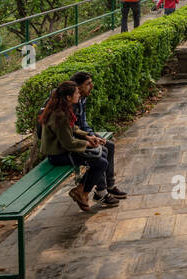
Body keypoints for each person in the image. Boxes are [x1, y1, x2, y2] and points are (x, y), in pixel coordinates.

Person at [38, 80, 119, 211]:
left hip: (63, 150)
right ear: (68, 97)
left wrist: (89, 136)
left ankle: (81, 190)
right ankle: (84, 193)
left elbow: (73, 128)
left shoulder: (63, 109)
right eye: (76, 93)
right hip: (58, 155)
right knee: (101, 162)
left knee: (103, 151)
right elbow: (69, 143)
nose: (79, 95)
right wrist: (88, 144)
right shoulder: (59, 115)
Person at [69, 71, 125, 199]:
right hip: (72, 141)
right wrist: (89, 138)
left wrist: (92, 135)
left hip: (81, 134)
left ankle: (109, 186)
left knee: (109, 145)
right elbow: (72, 130)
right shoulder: (71, 101)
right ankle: (101, 191)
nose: (92, 86)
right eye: (88, 84)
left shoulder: (81, 98)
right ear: (78, 87)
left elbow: (83, 123)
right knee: (101, 151)